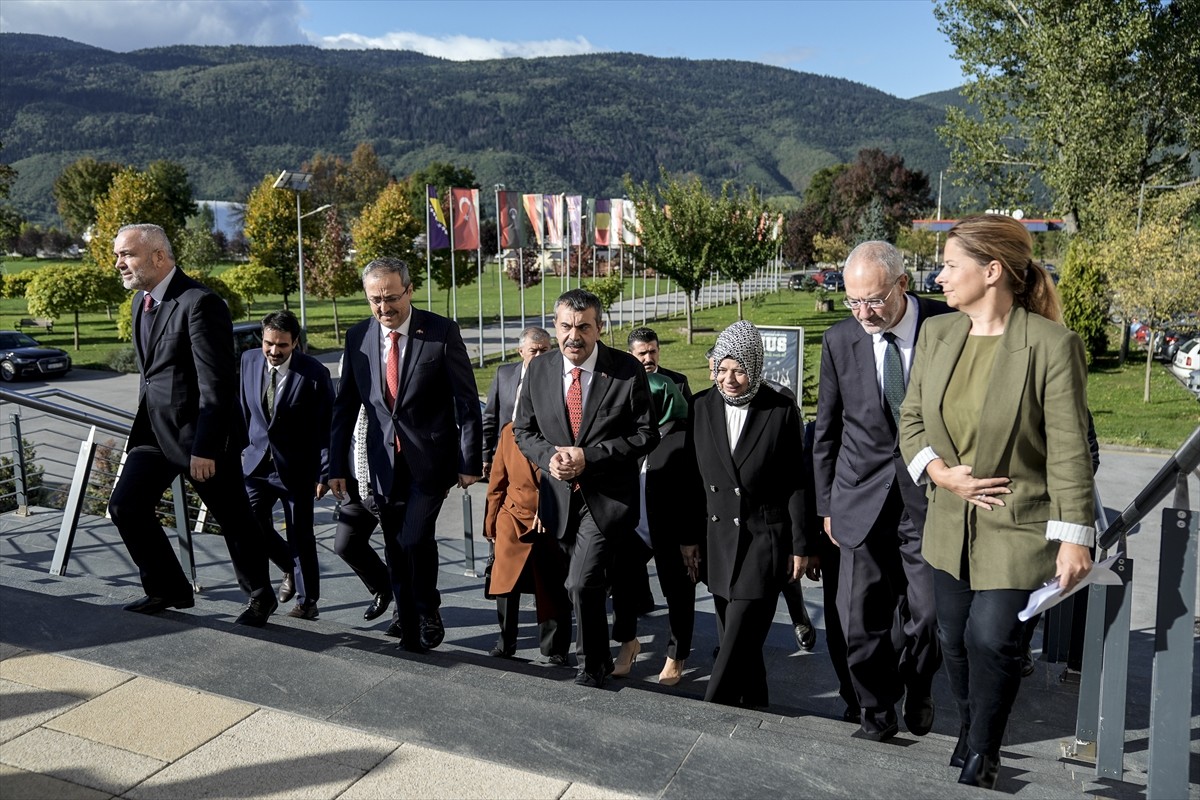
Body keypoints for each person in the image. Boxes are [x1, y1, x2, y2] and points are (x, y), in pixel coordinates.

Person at [900, 214, 1094, 790]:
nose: (938, 277)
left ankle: (984, 749)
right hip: (949, 521)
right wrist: (940, 473)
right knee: (953, 638)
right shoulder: (937, 335)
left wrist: (1075, 537)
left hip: (1018, 524)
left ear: (991, 271)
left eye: (949, 265)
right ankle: (971, 725)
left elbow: (1069, 448)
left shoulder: (1052, 346)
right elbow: (911, 419)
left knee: (991, 637)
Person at [812, 240, 951, 741]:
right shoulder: (839, 340)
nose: (863, 313)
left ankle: (919, 683)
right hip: (858, 496)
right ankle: (876, 711)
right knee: (858, 620)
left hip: (929, 497)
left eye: (873, 300)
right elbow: (826, 430)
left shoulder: (947, 324)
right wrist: (826, 505)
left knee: (930, 616)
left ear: (902, 285)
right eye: (853, 301)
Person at [107, 223, 276, 626]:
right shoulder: (140, 302)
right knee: (125, 506)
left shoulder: (200, 303)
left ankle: (260, 596)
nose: (119, 264)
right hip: (154, 433)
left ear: (158, 256)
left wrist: (206, 446)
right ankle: (168, 588)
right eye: (117, 255)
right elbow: (153, 376)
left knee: (233, 519)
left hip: (201, 437)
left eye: (126, 254)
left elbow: (216, 384)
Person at [328, 257, 483, 652]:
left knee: (413, 538)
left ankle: (427, 609)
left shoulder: (440, 332)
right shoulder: (358, 336)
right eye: (375, 300)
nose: (384, 307)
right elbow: (345, 406)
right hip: (382, 465)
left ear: (410, 291)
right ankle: (409, 626)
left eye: (392, 298)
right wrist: (335, 466)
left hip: (430, 462)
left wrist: (469, 460)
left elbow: (467, 402)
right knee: (395, 546)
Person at [513, 288, 658, 688]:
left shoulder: (626, 370)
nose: (573, 336)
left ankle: (591, 664)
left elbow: (647, 434)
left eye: (583, 327)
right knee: (582, 584)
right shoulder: (539, 370)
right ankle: (605, 652)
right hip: (558, 500)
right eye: (565, 327)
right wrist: (549, 457)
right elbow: (523, 431)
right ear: (555, 326)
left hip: (607, 500)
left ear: (599, 328)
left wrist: (589, 456)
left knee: (580, 581)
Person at [687, 320, 809, 708]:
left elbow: (796, 483)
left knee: (738, 633)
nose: (729, 379)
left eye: (739, 370)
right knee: (738, 638)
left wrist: (800, 545)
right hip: (718, 541)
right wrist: (688, 539)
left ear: (755, 368)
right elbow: (691, 481)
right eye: (722, 369)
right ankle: (756, 701)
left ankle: (712, 708)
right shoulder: (700, 406)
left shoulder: (780, 410)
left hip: (764, 539)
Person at [608, 372, 703, 685]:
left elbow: (694, 493)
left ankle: (676, 655)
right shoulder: (635, 434)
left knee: (678, 594)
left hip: (673, 532)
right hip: (635, 528)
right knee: (622, 584)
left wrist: (689, 539)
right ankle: (627, 643)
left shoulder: (686, 437)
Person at [239, 309, 333, 620]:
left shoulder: (314, 373)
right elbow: (243, 412)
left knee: (300, 535)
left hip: (297, 469)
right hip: (255, 465)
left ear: (295, 343)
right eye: (269, 343)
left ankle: (307, 603)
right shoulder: (249, 361)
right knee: (248, 523)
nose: (274, 351)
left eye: (282, 345)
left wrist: (324, 472)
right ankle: (287, 567)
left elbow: (326, 428)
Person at [483, 411, 572, 664]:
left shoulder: (563, 432)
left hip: (553, 520)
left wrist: (548, 509)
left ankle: (556, 648)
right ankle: (505, 642)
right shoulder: (509, 432)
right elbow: (497, 483)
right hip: (512, 515)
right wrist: (490, 526)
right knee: (505, 581)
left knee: (552, 584)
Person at [331, 405, 391, 622]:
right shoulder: (349, 390)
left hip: (387, 485)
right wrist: (333, 470)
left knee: (399, 550)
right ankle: (384, 587)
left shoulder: (387, 391)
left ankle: (403, 617)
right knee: (346, 545)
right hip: (356, 485)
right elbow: (338, 426)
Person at [482, 327, 553, 476]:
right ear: (521, 351)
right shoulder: (503, 374)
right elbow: (490, 418)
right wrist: (485, 455)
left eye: (544, 350)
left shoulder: (559, 379)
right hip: (506, 451)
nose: (539, 356)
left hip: (541, 454)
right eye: (533, 351)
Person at [628, 326, 692, 401]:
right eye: (642, 353)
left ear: (658, 351)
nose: (648, 359)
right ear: (630, 355)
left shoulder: (678, 383)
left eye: (653, 352)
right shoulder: (623, 384)